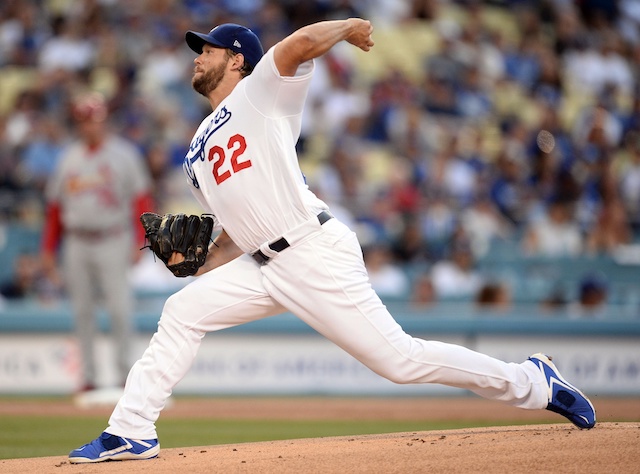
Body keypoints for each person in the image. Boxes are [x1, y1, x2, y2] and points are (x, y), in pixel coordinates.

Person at [69, 19, 596, 464]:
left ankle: (534, 381)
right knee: (183, 311)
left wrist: (345, 27)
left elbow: (296, 46)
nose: (196, 56)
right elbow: (234, 230)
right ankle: (133, 429)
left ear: (235, 59)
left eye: (205, 49)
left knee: (401, 361)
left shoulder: (262, 94)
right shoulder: (197, 146)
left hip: (311, 250)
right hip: (261, 263)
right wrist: (200, 261)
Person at [41, 92, 153, 394]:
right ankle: (87, 378)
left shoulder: (124, 154)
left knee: (120, 309)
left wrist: (141, 239)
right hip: (76, 241)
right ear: (79, 123)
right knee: (82, 312)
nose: (91, 125)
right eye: (85, 120)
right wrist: (48, 251)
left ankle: (125, 376)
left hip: (113, 238)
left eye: (96, 119)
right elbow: (54, 209)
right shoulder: (68, 158)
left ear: (104, 120)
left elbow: (141, 200)